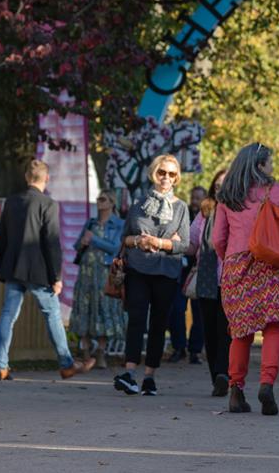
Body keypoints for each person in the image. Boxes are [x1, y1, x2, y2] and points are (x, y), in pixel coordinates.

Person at [213, 143, 279, 415]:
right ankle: (267, 384)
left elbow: (217, 239)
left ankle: (236, 389)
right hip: (272, 265)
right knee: (273, 327)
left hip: (236, 266)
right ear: (260, 165)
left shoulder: (227, 196)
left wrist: (230, 257)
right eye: (270, 162)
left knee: (240, 332)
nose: (273, 167)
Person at [0, 160, 96, 381]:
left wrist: (6, 262)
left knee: (7, 315)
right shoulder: (48, 204)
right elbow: (51, 243)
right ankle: (67, 364)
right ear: (47, 178)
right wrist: (56, 276)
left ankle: (0, 366)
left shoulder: (11, 202)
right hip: (38, 270)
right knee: (52, 316)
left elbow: (2, 238)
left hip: (14, 267)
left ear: (26, 177)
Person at [112, 154, 191, 396]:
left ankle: (150, 377)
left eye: (171, 174)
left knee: (158, 323)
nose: (166, 178)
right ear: (153, 174)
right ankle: (130, 373)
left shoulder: (181, 208)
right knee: (136, 319)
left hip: (166, 272)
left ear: (176, 178)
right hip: (138, 269)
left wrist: (160, 242)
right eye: (162, 172)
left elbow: (185, 245)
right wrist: (137, 240)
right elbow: (124, 238)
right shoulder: (138, 205)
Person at [70, 189, 126, 370]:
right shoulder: (91, 223)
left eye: (103, 199)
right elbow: (78, 246)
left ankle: (101, 352)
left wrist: (94, 240)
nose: (99, 202)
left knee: (104, 309)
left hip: (104, 272)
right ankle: (86, 352)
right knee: (85, 309)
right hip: (86, 272)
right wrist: (83, 243)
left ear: (112, 203)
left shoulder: (118, 224)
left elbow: (115, 248)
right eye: (98, 199)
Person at [188, 169, 230, 396]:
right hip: (206, 278)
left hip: (230, 278)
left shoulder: (239, 210)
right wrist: (169, 245)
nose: (220, 188)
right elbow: (193, 242)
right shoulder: (205, 212)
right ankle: (217, 377)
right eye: (217, 185)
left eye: (225, 184)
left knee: (226, 329)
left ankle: (224, 373)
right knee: (209, 331)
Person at [166, 185, 210, 364]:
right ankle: (179, 347)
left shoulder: (208, 218)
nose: (195, 201)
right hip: (180, 271)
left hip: (200, 270)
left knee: (200, 313)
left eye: (199, 198)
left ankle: (195, 350)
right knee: (177, 310)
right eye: (193, 197)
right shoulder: (182, 216)